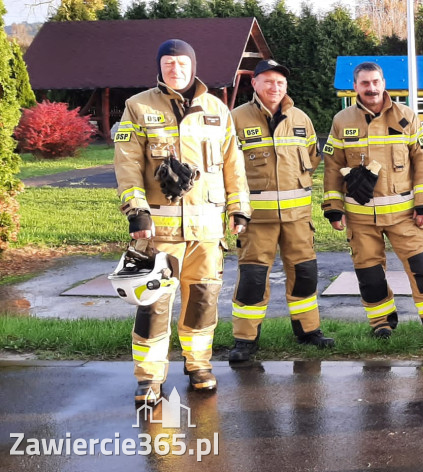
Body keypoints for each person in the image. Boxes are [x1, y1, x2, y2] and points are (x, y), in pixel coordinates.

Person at [114, 39, 250, 403]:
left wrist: (239, 209)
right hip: (158, 231)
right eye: (169, 63)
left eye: (182, 63)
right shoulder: (138, 106)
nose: (176, 69)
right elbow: (126, 162)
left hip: (207, 230)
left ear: (193, 65)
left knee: (202, 300)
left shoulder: (217, 109)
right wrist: (136, 210)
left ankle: (199, 365)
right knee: (154, 304)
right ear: (160, 67)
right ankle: (149, 378)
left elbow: (233, 165)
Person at [322, 62, 423, 340]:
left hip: (405, 215)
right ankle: (381, 323)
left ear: (384, 83)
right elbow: (331, 167)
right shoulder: (342, 121)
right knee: (370, 274)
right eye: (365, 83)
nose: (371, 88)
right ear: (355, 87)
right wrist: (333, 208)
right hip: (360, 217)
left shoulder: (406, 116)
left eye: (375, 82)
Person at [227, 59, 334, 363]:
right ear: (255, 84)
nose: (275, 87)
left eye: (280, 83)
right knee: (252, 279)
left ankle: (308, 332)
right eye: (269, 81)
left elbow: (312, 160)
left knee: (304, 275)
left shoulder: (301, 119)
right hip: (255, 221)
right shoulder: (235, 119)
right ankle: (245, 340)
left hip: (298, 220)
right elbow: (226, 169)